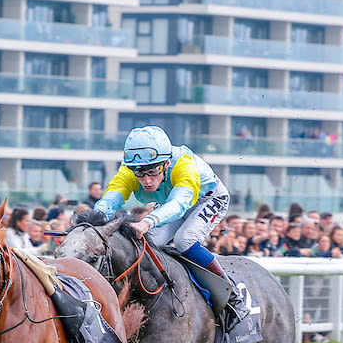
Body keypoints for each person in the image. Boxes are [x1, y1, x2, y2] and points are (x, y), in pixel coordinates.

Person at [86, 125, 249, 328]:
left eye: (152, 172)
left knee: (184, 240)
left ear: (167, 163)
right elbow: (113, 195)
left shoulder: (184, 165)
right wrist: (95, 217)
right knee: (151, 245)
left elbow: (180, 204)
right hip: (171, 201)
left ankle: (232, 296)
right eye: (139, 173)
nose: (146, 180)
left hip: (206, 198)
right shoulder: (129, 171)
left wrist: (148, 221)